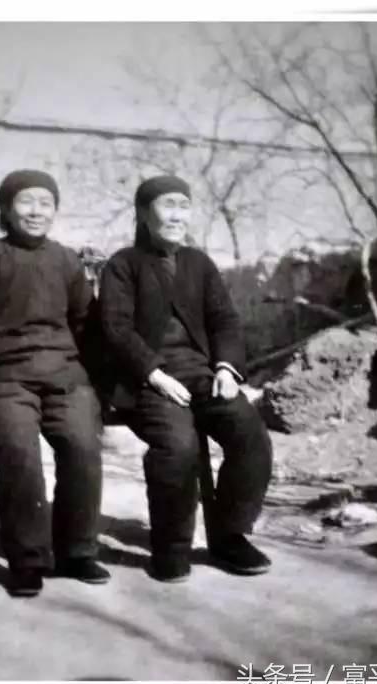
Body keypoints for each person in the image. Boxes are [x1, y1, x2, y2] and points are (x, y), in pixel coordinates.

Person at [0, 169, 110, 597]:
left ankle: (77, 551)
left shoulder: (66, 261)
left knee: (83, 448)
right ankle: (27, 559)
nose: (36, 211)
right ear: (6, 210)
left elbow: (86, 327)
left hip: (64, 377)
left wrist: (104, 385)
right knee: (20, 451)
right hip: (0, 378)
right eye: (26, 201)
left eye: (46, 203)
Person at [99, 175, 273, 582]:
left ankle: (229, 536)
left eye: (184, 206)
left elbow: (225, 320)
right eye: (167, 205)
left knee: (250, 435)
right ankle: (172, 548)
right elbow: (116, 329)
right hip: (146, 380)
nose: (177, 216)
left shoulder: (199, 264)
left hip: (202, 375)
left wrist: (226, 368)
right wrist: (154, 374)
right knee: (178, 447)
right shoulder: (123, 265)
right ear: (144, 214)